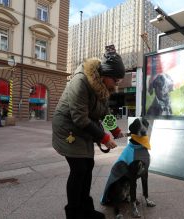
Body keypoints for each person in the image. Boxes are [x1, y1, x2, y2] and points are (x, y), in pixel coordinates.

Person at [52, 46, 126, 219]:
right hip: (67, 127)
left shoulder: (103, 86)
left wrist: (114, 129)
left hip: (83, 129)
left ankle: (86, 209)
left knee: (88, 166)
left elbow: (105, 111)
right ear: (105, 74)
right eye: (115, 80)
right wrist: (104, 137)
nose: (116, 84)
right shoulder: (81, 81)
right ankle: (74, 213)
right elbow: (79, 118)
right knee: (79, 169)